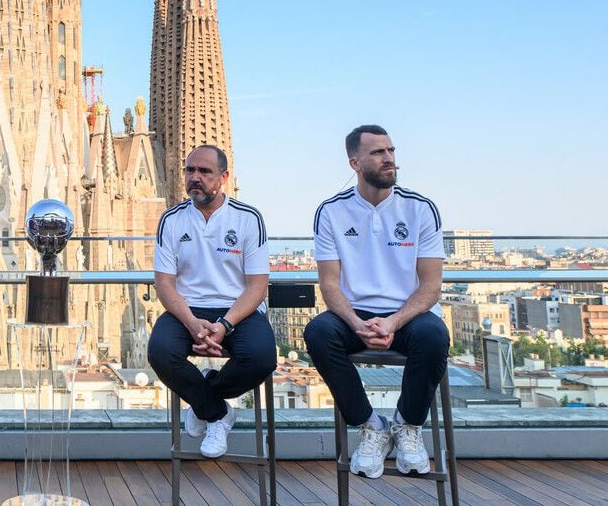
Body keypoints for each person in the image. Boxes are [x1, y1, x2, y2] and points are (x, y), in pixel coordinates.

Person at [304, 124, 448, 479]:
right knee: (318, 333)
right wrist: (356, 323)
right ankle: (370, 425)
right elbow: (330, 285)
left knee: (434, 336)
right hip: (354, 315)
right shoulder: (331, 212)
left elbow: (431, 286)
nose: (390, 159)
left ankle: (408, 425)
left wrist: (393, 322)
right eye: (378, 153)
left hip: (408, 313)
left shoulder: (421, 209)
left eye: (391, 151)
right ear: (355, 162)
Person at [147, 145, 276, 458]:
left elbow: (257, 286)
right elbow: (164, 284)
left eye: (204, 172)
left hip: (238, 311)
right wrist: (192, 323)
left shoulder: (248, 218)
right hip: (187, 310)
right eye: (190, 171)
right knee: (160, 351)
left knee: (262, 357)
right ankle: (218, 413)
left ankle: (205, 399)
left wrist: (225, 324)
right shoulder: (172, 220)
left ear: (223, 178)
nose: (195, 178)